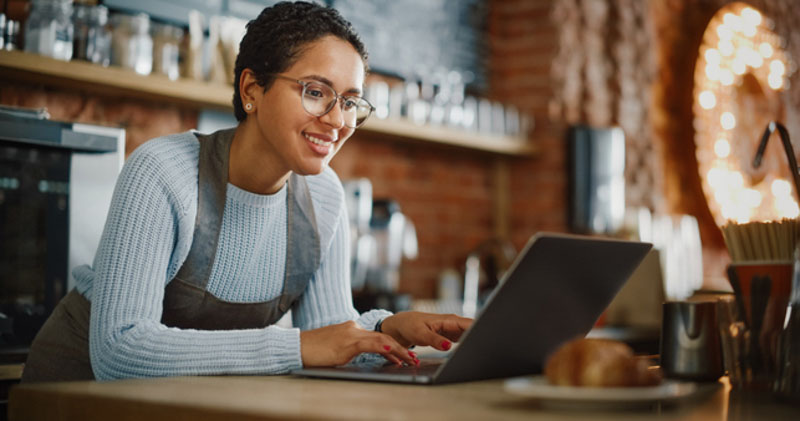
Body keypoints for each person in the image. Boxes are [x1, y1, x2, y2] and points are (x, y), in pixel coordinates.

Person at [22, 1, 471, 382]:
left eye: (351, 102)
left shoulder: (325, 196)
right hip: (71, 397)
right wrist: (297, 347)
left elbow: (328, 337)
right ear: (252, 89)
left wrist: (393, 329)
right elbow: (120, 353)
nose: (338, 120)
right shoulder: (163, 172)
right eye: (316, 92)